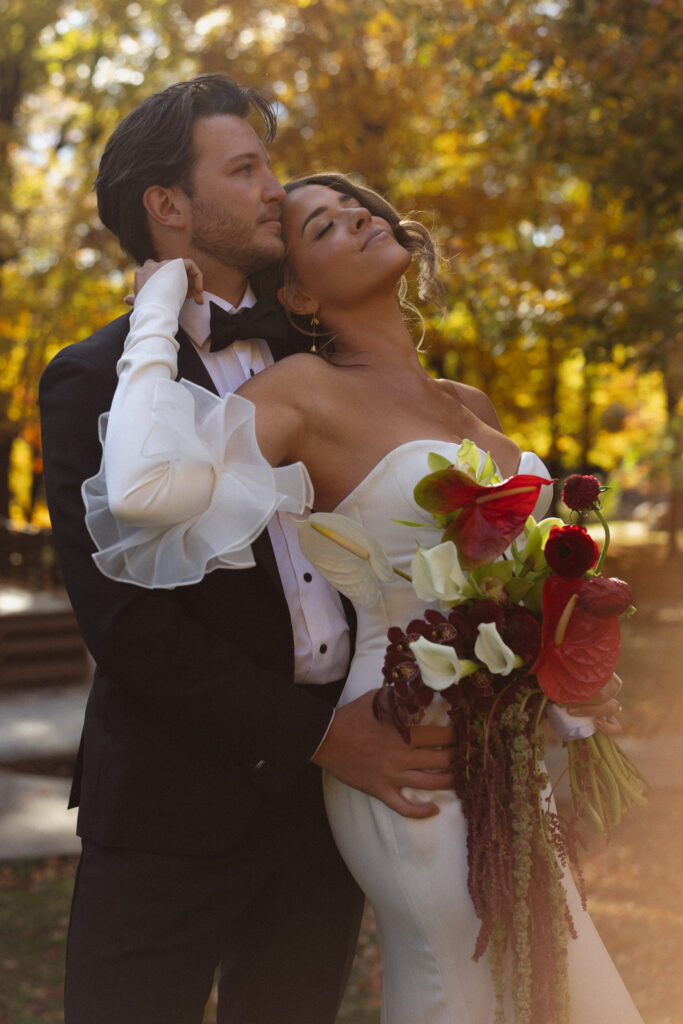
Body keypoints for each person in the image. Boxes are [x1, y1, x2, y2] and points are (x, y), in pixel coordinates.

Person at [85, 173, 644, 1024]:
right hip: (404, 752)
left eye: (358, 209)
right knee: (458, 985)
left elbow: (514, 586)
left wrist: (569, 675)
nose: (355, 216)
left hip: (513, 758)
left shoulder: (469, 404)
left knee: (549, 982)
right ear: (299, 296)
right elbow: (143, 490)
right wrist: (155, 308)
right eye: (321, 225)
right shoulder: (303, 391)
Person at [39, 77, 460, 1024]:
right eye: (245, 170)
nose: (275, 189)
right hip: (170, 809)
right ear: (169, 205)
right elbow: (128, 626)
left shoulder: (325, 351)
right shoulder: (88, 380)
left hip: (328, 812)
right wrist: (318, 736)